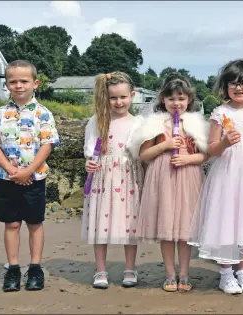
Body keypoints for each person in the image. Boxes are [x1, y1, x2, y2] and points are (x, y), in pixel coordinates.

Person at [188, 59, 243, 294]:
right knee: (226, 218)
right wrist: (226, 142)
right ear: (225, 86)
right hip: (227, 173)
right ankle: (226, 273)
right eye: (233, 84)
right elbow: (212, 149)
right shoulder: (220, 113)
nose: (239, 88)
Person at [0, 60, 60, 292]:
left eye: (24, 81)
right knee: (12, 223)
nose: (19, 85)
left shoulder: (43, 114)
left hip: (34, 179)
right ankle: (13, 269)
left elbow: (47, 145)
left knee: (35, 223)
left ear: (35, 83)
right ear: (7, 84)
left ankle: (35, 268)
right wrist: (11, 169)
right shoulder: (0, 113)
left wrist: (28, 171)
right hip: (7, 179)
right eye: (13, 81)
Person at [128, 72, 209, 292]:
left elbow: (205, 155)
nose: (176, 103)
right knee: (166, 226)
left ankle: (184, 273)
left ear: (189, 100)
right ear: (163, 99)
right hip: (162, 176)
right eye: (171, 98)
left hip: (188, 176)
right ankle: (169, 274)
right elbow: (143, 154)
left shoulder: (195, 124)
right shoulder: (154, 124)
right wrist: (164, 146)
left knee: (185, 229)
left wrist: (188, 158)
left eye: (181, 98)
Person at [81, 72, 144, 289]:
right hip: (102, 177)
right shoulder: (97, 121)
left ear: (132, 95)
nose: (119, 102)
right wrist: (89, 163)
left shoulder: (139, 123)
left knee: (130, 224)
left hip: (129, 177)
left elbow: (142, 153)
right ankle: (100, 270)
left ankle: (130, 268)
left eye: (123, 97)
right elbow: (90, 151)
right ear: (105, 97)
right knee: (100, 223)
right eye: (113, 97)